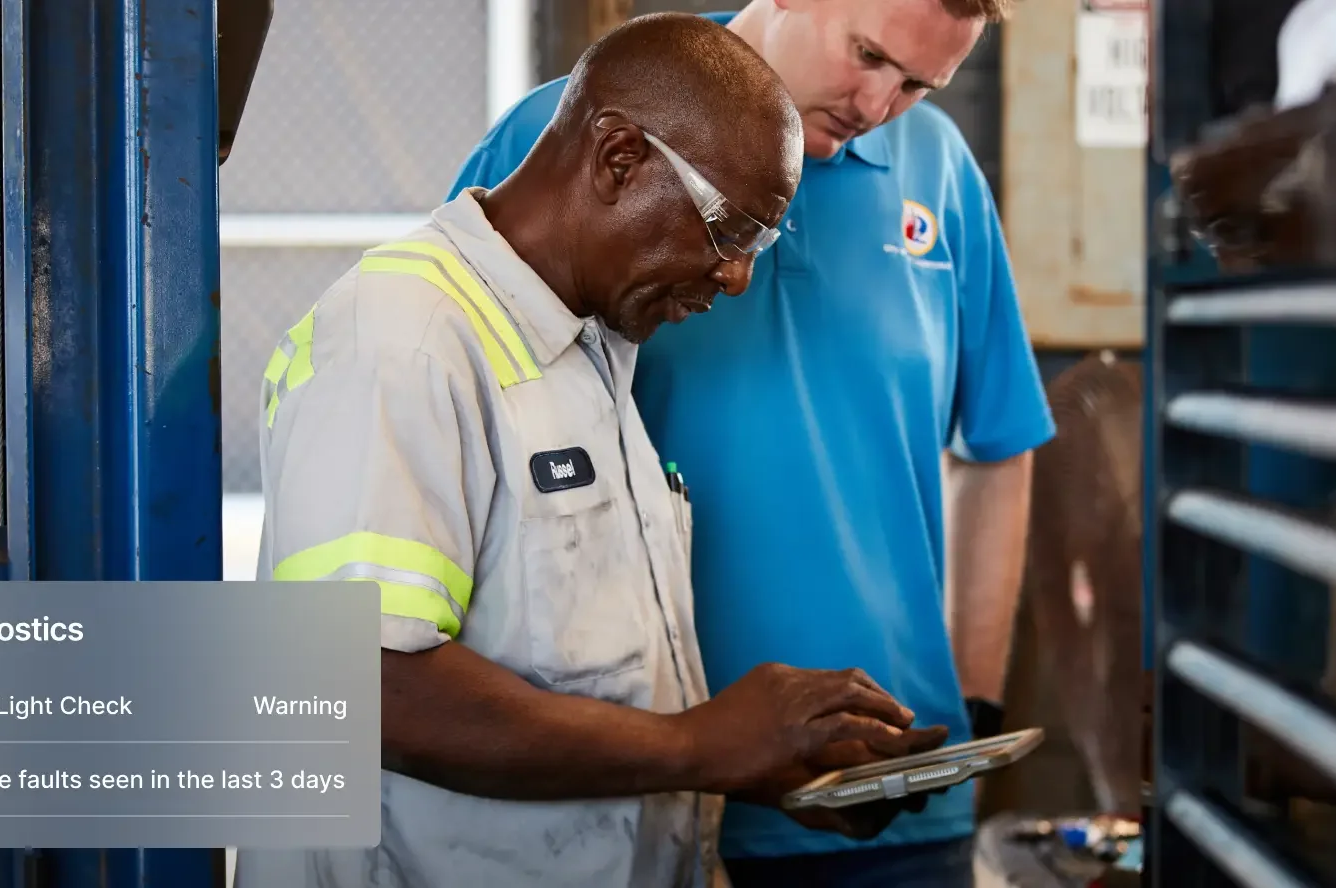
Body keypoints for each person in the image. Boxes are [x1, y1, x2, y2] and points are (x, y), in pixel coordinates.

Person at [234, 12, 947, 888]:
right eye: (732, 233)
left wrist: (765, 766)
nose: (736, 278)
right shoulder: (403, 338)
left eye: (760, 246)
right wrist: (703, 742)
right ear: (618, 159)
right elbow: (356, 684)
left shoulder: (592, 352)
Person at [450, 1, 1055, 885]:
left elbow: (998, 442)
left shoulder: (941, 171)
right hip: (631, 785)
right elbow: (374, 669)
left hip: (889, 800)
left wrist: (968, 698)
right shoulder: (567, 137)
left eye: (920, 84)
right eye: (868, 55)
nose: (880, 104)